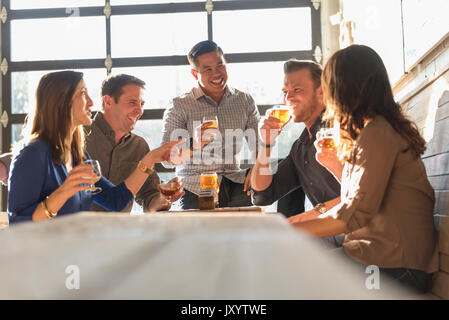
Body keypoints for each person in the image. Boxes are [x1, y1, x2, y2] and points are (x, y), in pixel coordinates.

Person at [293, 45, 438, 293]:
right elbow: (360, 203)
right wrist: (336, 167)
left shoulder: (378, 133)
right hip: (382, 261)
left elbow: (354, 214)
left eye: (328, 87)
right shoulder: (374, 131)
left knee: (292, 276)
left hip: (397, 270)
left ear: (345, 88)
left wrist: (286, 230)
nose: (325, 97)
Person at [7, 71, 183, 224]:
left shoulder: (78, 155)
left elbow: (116, 200)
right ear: (61, 102)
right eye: (83, 93)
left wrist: (150, 159)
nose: (91, 102)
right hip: (46, 257)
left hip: (75, 252)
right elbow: (17, 223)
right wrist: (62, 193)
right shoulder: (32, 154)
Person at [250, 60, 341, 243]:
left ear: (321, 92)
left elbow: (366, 194)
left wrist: (310, 216)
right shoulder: (300, 146)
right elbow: (262, 194)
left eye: (297, 90)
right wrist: (266, 144)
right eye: (285, 92)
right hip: (328, 235)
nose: (288, 98)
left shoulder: (340, 130)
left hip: (357, 235)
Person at [162, 40, 260, 209]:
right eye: (207, 69)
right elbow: (167, 159)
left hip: (235, 183)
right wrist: (194, 144)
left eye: (220, 65)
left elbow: (258, 144)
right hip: (195, 188)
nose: (216, 74)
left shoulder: (244, 100)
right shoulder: (180, 105)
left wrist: (256, 167)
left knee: (279, 168)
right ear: (195, 74)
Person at [86, 74, 184, 213]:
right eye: (132, 102)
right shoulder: (80, 138)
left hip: (122, 232)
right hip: (78, 230)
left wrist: (165, 196)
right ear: (108, 101)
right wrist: (150, 159)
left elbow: (149, 199)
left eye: (141, 104)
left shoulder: (139, 146)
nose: (139, 111)